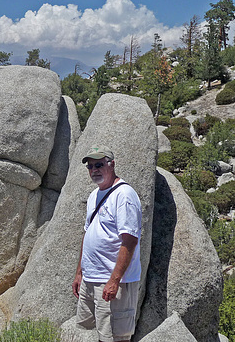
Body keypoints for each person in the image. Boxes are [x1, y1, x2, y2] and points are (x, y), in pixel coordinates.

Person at [72, 145, 142, 342]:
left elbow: (130, 240)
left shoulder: (124, 195)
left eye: (99, 164)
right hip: (92, 277)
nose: (94, 170)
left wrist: (114, 280)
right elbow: (87, 235)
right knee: (99, 331)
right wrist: (80, 272)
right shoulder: (94, 195)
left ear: (112, 165)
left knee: (117, 336)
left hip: (113, 281)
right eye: (90, 166)